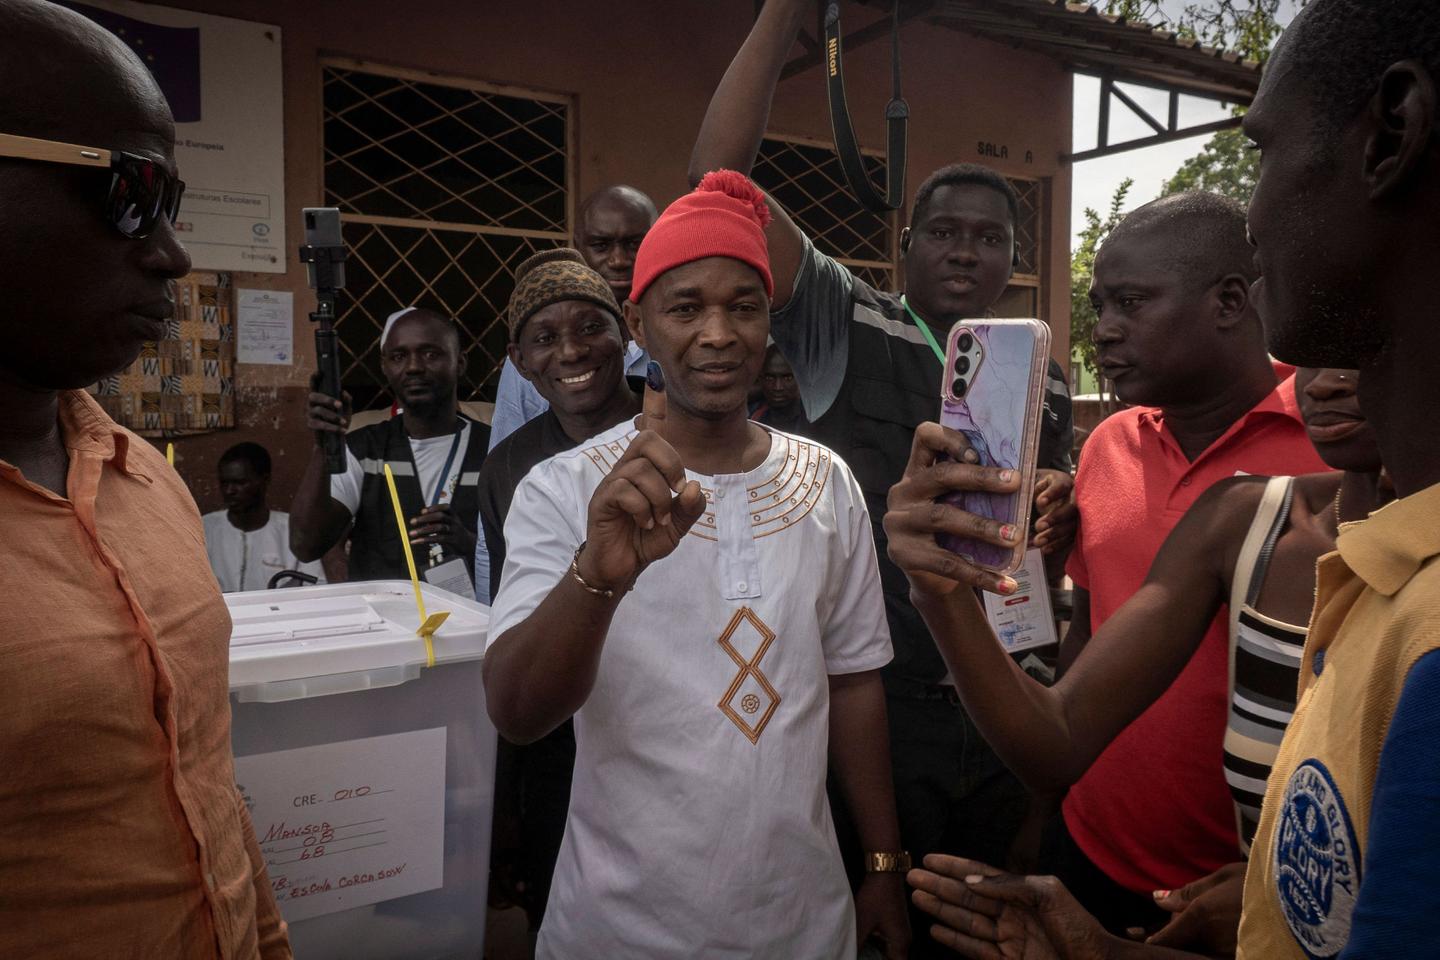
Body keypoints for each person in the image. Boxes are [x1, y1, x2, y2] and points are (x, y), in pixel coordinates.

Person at [898, 0, 1440, 956]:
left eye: (1262, 152)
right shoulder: (1252, 516)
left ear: (1391, 133)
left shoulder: (1386, 564)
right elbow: (1066, 718)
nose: (1252, 214)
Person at [692, 1, 1077, 923]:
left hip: (1009, 699)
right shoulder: (847, 320)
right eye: (944, 231)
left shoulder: (1044, 376)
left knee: (994, 924)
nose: (966, 251)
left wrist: (1061, 505)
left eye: (990, 237)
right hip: (882, 707)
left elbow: (1047, 548)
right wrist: (785, 13)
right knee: (890, 915)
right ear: (907, 244)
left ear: (1015, 257)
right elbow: (716, 187)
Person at [483, 171, 910, 958]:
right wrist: (597, 577)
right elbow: (517, 712)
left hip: (803, 924)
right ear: (638, 326)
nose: (718, 334)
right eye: (685, 309)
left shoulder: (826, 482)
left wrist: (883, 863)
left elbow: (853, 682)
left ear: (769, 322)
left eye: (743, 307)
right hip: (617, 929)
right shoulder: (566, 489)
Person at [885, 367, 1385, 956]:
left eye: (1367, 342)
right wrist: (939, 589)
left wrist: (1275, 898)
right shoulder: (1248, 519)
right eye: (1312, 351)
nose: (1324, 381)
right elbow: (1057, 738)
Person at [0, 1, 289, 956]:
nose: (171, 252)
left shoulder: (148, 482)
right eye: (130, 192)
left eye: (173, 205)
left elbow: (205, 787)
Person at [1042, 192, 1329, 931]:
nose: (1105, 329)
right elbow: (1088, 632)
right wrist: (1049, 802)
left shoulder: (1334, 448)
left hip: (1241, 891)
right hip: (1087, 849)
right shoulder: (1108, 446)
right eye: (1100, 305)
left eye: (1132, 302)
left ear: (1229, 301)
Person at [476, 248, 640, 930]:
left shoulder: (676, 432)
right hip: (557, 736)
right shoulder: (509, 468)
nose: (571, 351)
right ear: (520, 361)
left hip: (662, 720)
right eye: (545, 338)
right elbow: (510, 625)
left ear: (625, 333)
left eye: (590, 327)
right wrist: (506, 807)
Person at [290, 307, 488, 590]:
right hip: (383, 616)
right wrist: (323, 446)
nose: (414, 366)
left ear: (460, 363)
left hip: (473, 615)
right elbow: (305, 545)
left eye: (430, 354)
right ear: (384, 367)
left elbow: (526, 554)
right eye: (398, 356)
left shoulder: (494, 449)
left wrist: (470, 544)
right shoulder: (362, 450)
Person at [488, 185, 658, 449]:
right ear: (578, 246)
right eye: (601, 245)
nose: (618, 260)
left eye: (634, 244)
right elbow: (510, 451)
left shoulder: (676, 335)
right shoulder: (533, 355)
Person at [202, 442, 325, 591]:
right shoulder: (204, 529)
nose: (229, 491)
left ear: (265, 480)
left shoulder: (293, 530)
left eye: (240, 483)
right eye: (224, 483)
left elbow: (315, 586)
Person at [750, 343, 812, 435]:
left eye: (787, 378)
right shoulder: (751, 418)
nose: (778, 387)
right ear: (760, 378)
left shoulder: (816, 421)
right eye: (770, 378)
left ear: (801, 378)